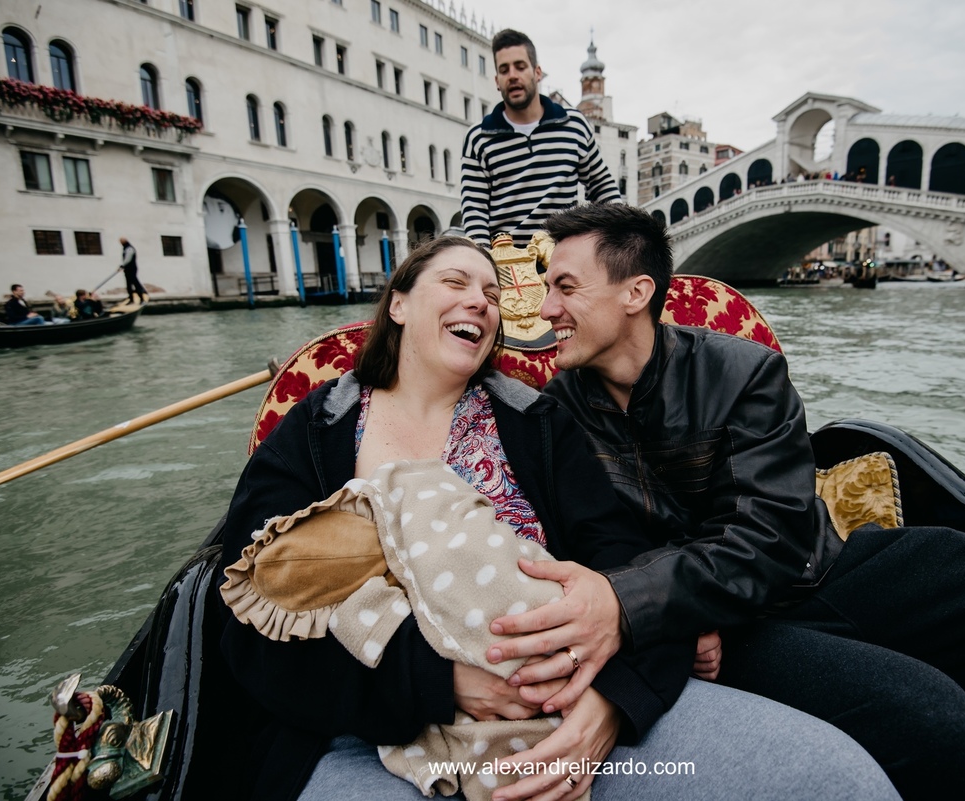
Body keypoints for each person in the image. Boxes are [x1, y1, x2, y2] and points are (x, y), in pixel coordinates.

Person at [481, 203, 965, 801]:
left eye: (565, 286)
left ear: (636, 292)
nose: (542, 311)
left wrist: (647, 601)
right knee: (934, 720)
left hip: (830, 570)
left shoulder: (741, 370)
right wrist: (675, 617)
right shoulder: (556, 414)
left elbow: (770, 536)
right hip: (740, 633)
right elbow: (591, 542)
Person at [216, 236, 899, 801]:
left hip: (572, 706)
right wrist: (438, 680)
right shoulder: (315, 431)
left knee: (840, 784)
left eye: (489, 294)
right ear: (398, 301)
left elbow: (628, 558)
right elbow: (248, 619)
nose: (478, 301)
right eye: (455, 281)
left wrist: (610, 705)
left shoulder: (537, 423)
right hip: (370, 732)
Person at [460, 29, 621, 248]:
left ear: (537, 72)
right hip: (506, 265)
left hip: (563, 260)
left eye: (520, 66)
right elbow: (475, 213)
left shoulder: (573, 125)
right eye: (504, 70)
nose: (513, 75)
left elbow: (602, 188)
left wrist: (622, 239)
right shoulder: (478, 139)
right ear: (497, 81)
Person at [118, 237, 148, 304]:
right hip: (127, 269)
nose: (120, 243)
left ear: (123, 242)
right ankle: (131, 299)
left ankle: (142, 298)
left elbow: (128, 259)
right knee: (128, 285)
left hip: (132, 269)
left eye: (120, 242)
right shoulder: (125, 248)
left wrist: (122, 265)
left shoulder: (129, 248)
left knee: (135, 283)